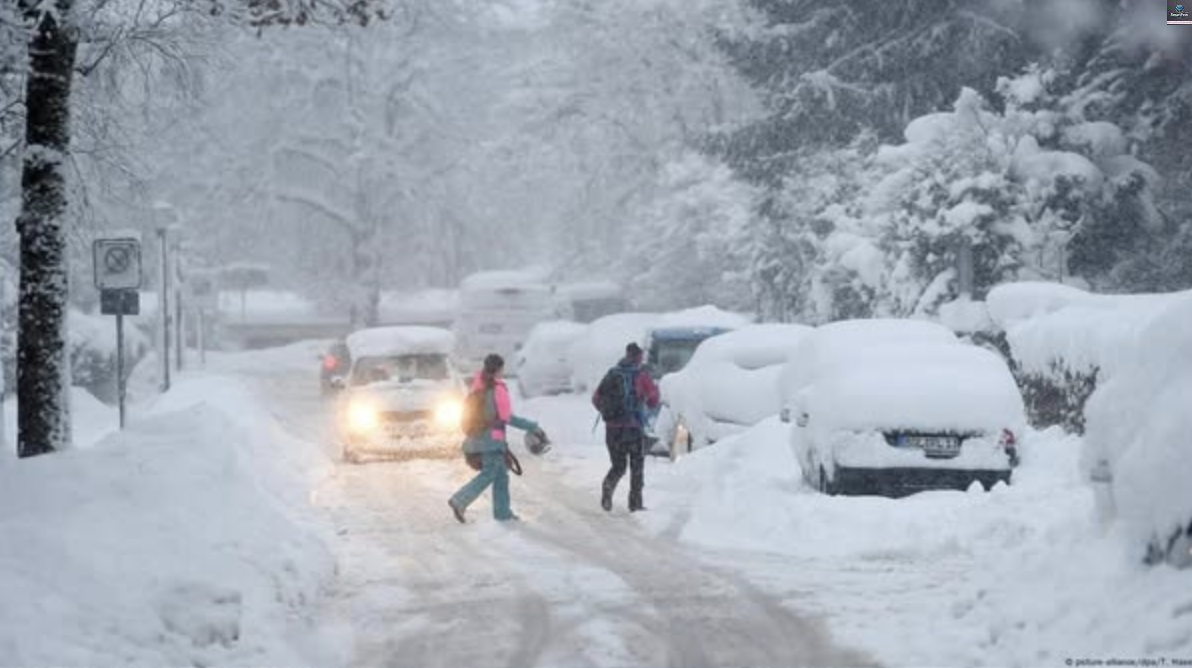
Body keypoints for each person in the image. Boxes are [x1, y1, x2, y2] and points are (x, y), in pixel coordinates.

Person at [449, 353, 543, 523]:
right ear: (499, 369)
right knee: (489, 474)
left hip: (479, 438)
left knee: (501, 476)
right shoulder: (497, 388)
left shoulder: (478, 385)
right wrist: (532, 426)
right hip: (490, 441)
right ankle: (460, 500)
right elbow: (507, 417)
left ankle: (503, 513)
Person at [594, 342, 660, 512]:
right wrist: (645, 397)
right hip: (633, 428)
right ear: (638, 357)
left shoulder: (612, 373)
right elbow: (654, 401)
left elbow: (596, 398)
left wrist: (610, 413)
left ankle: (608, 487)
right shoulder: (642, 375)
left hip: (613, 430)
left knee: (619, 466)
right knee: (636, 467)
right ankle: (635, 504)